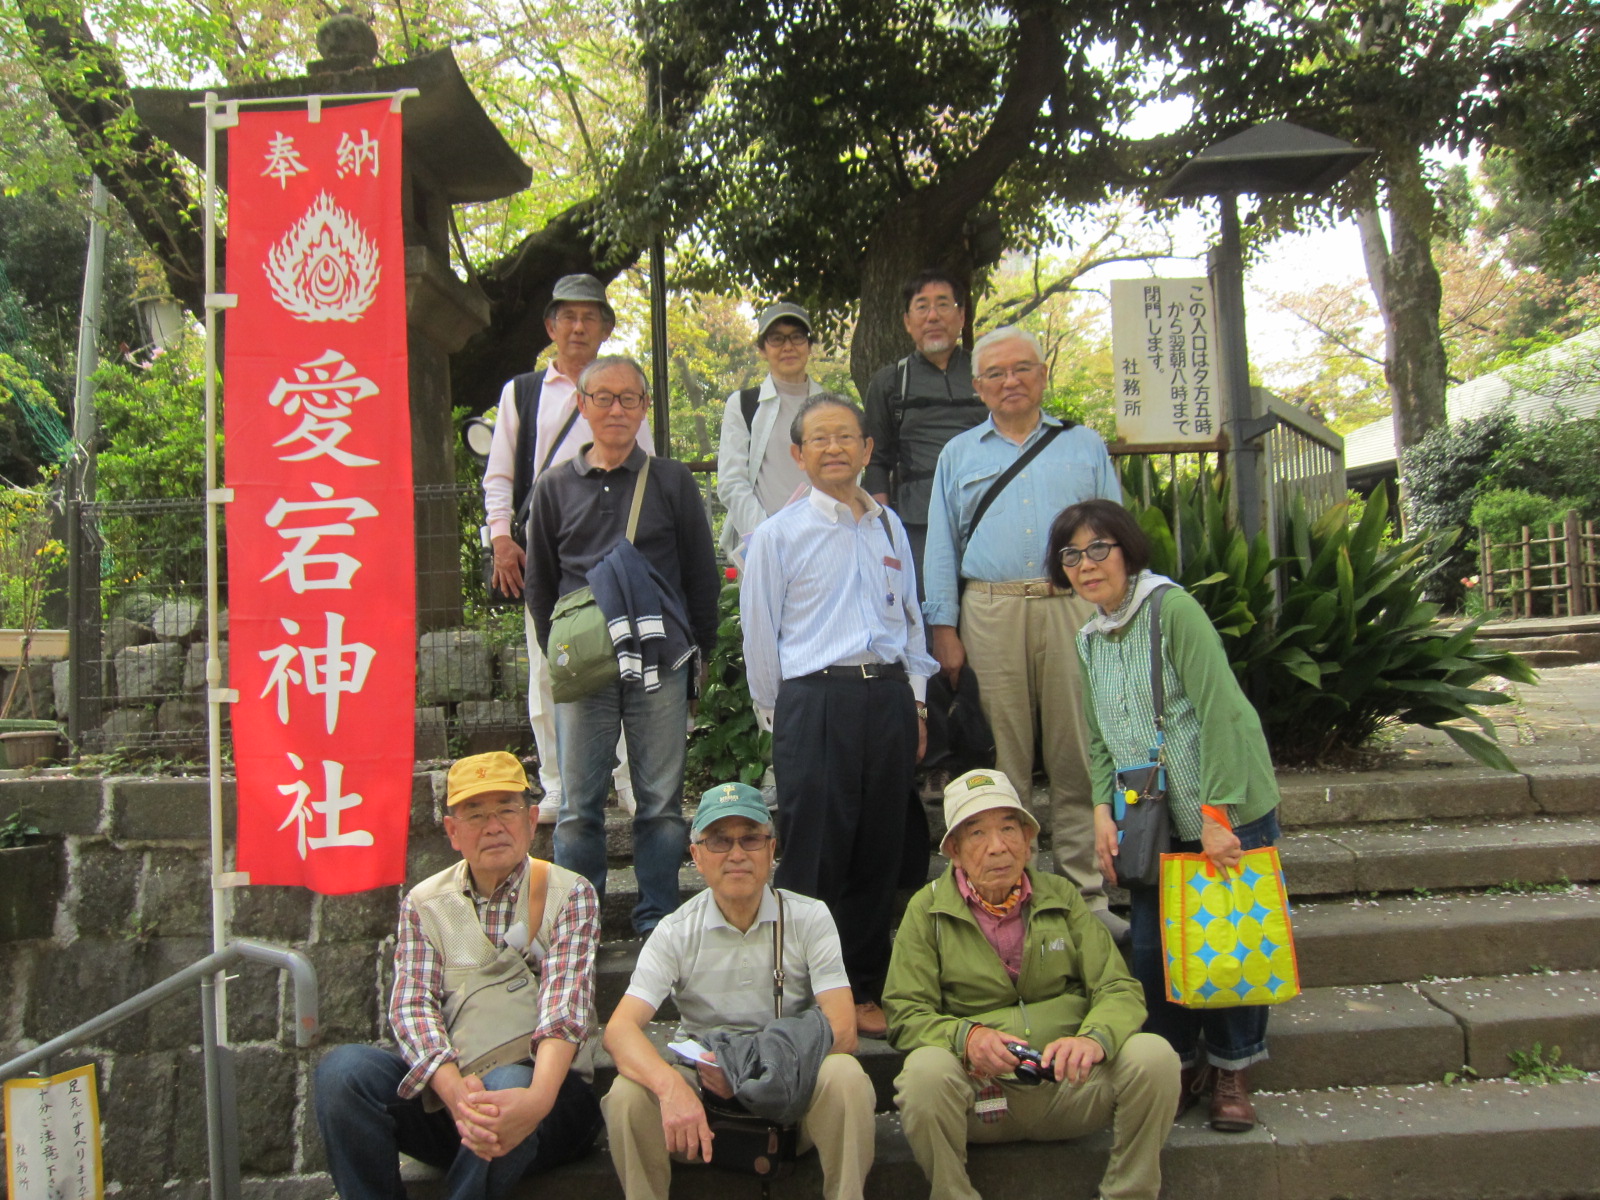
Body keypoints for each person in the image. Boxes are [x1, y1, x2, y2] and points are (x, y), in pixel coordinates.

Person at [1048, 498, 1283, 1132]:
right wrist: (1102, 809)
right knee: (1153, 949)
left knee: (1227, 942)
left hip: (1220, 805)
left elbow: (1222, 712)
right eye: (1072, 554)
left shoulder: (1171, 609)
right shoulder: (1090, 637)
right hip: (1148, 817)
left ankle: (1233, 1066)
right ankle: (1177, 1063)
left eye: (1100, 549)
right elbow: (1099, 737)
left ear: (1127, 551)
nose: (1087, 564)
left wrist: (1216, 815)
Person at [313, 751, 603, 1200]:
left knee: (506, 1086)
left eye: (506, 809)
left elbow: (565, 1006)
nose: (493, 826)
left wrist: (536, 1100)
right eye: (475, 814)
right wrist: (453, 1094)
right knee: (343, 1072)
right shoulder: (424, 903)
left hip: (549, 1100)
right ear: (452, 831)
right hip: (457, 1098)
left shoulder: (571, 894)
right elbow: (412, 1007)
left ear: (530, 820)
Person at [884, 768, 1179, 1200]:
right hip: (981, 1095)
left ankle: (1128, 1193)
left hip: (1071, 1087)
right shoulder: (925, 912)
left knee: (1155, 1056)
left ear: (1027, 839)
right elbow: (905, 1014)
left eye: (1008, 828)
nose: (997, 846)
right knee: (922, 1075)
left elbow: (1119, 989)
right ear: (955, 851)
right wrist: (967, 1037)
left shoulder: (1062, 896)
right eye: (977, 833)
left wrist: (1093, 1040)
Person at [740, 393, 936, 1037]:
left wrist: (916, 700)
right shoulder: (777, 535)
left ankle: (865, 989)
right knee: (815, 852)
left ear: (867, 449)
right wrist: (783, 719)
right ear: (798, 455)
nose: (834, 448)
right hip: (812, 701)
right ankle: (803, 993)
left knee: (879, 848)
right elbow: (759, 638)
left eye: (846, 437)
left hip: (885, 699)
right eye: (818, 439)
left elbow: (909, 621)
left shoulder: (886, 529)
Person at [921, 324, 1123, 936]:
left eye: (1023, 369)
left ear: (1043, 375)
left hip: (1074, 608)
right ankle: (1009, 894)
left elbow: (1114, 532)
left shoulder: (1083, 445)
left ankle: (1084, 897)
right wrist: (943, 627)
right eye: (996, 374)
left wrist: (1118, 610)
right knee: (1001, 760)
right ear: (978, 386)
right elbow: (941, 545)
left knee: (1078, 753)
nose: (1011, 382)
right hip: (991, 609)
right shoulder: (959, 454)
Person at [602, 782, 876, 1200]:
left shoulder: (809, 918)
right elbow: (619, 1031)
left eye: (750, 838)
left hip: (791, 1090)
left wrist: (748, 1072)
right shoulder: (675, 931)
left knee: (846, 1077)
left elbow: (843, 1031)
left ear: (771, 850)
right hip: (703, 1098)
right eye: (718, 840)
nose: (736, 854)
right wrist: (671, 1088)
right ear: (695, 855)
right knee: (626, 1097)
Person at [525, 354, 720, 934]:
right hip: (584, 668)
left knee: (660, 803)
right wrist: (564, 655)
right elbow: (540, 584)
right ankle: (577, 924)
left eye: (628, 398)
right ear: (581, 406)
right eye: (602, 398)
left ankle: (657, 917)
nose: (615, 409)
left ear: (644, 408)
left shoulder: (671, 481)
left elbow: (700, 575)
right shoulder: (554, 486)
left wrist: (696, 661)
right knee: (579, 810)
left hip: (660, 663)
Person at [481, 273, 647, 825]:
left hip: (617, 552)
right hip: (546, 553)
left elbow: (644, 471)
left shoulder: (625, 385)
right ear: (551, 326)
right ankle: (557, 784)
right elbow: (500, 475)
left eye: (590, 316)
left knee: (628, 662)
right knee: (549, 666)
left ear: (606, 328)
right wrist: (502, 539)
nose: (579, 327)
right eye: (568, 317)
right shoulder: (523, 393)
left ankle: (630, 784)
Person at [862, 270, 987, 587]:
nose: (933, 316)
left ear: (961, 316)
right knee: (927, 615)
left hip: (987, 514)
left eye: (943, 305)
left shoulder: (988, 374)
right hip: (918, 522)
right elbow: (876, 459)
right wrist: (883, 526)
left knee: (987, 611)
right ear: (907, 321)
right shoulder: (891, 381)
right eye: (922, 306)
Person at [715, 301, 827, 561]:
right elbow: (732, 482)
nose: (788, 346)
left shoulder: (831, 406)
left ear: (809, 346)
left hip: (822, 542)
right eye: (776, 339)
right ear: (762, 349)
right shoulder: (743, 405)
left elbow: (846, 476)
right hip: (764, 545)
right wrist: (767, 536)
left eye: (797, 337)